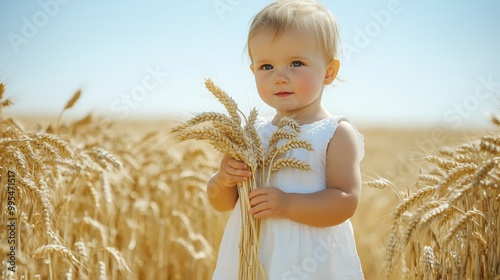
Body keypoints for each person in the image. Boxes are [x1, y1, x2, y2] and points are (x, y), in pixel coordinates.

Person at [208, 0, 365, 278]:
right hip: (253, 256)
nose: (280, 77)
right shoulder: (252, 134)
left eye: (296, 63)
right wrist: (223, 179)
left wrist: (288, 204)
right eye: (266, 66)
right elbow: (222, 204)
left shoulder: (334, 133)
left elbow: (346, 201)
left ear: (329, 71)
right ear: (253, 71)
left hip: (312, 260)